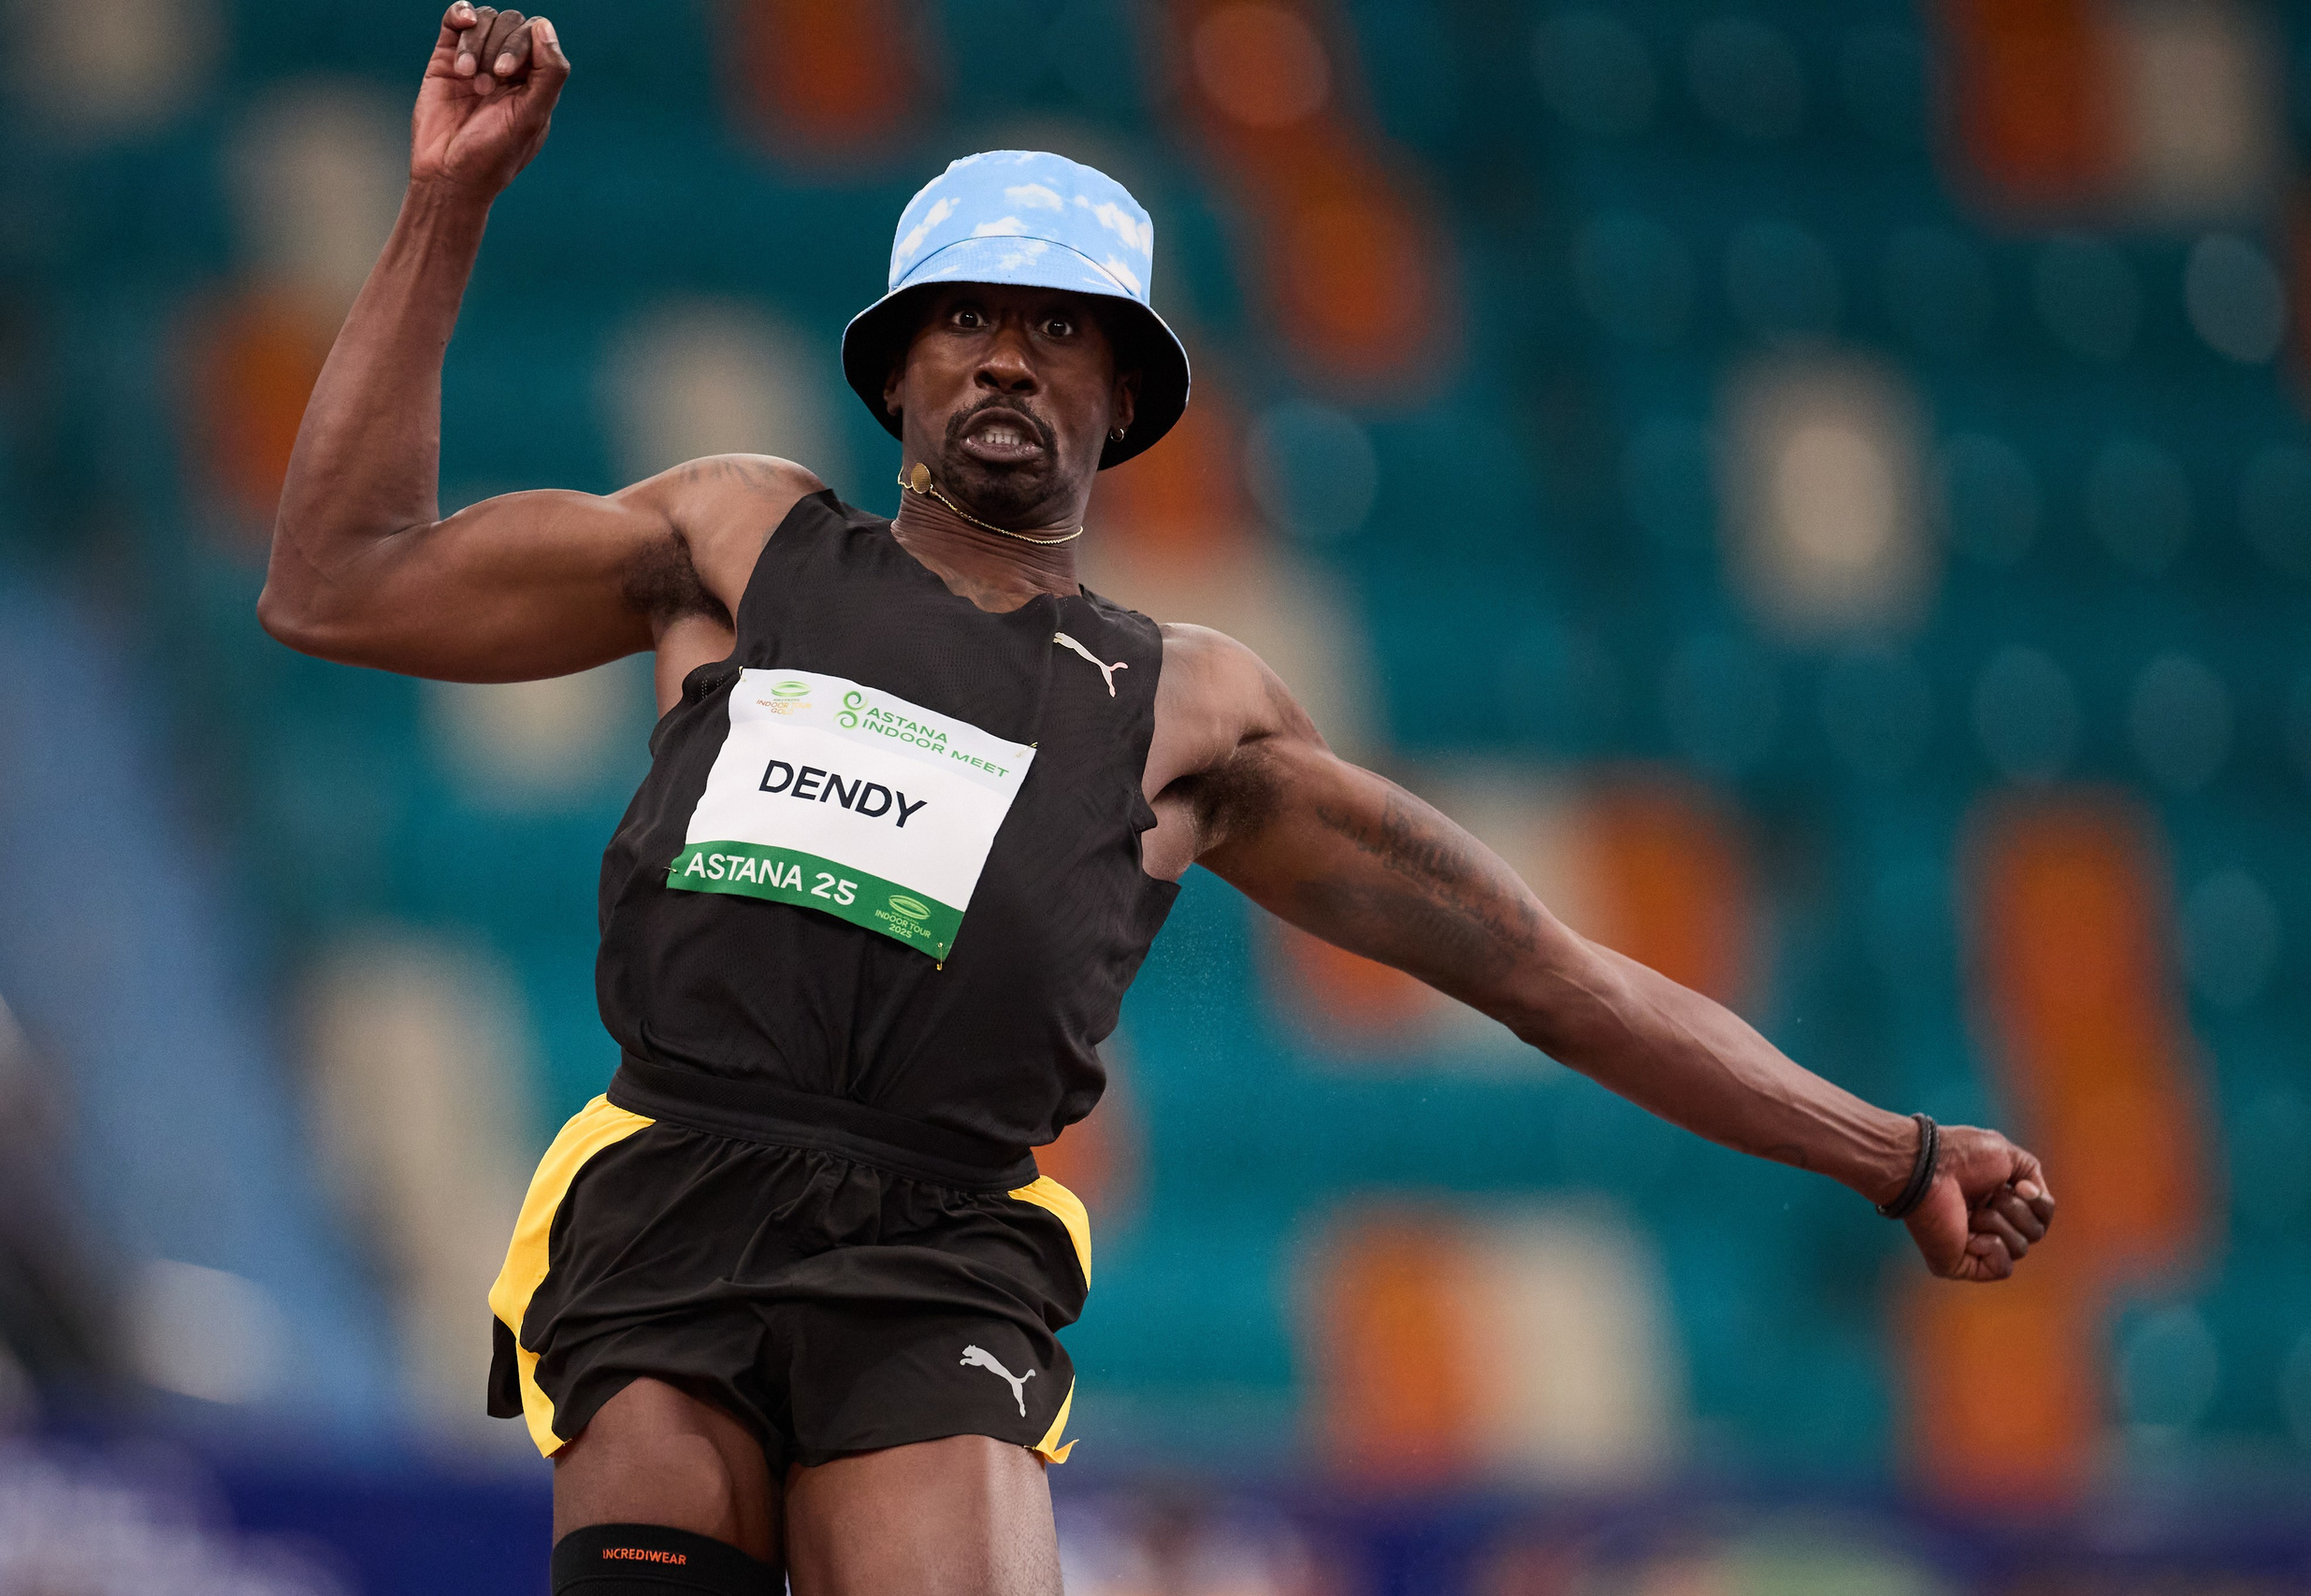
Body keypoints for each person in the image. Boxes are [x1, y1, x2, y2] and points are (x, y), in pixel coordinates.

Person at [259, 7, 2058, 1594]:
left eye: (1063, 328)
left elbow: (1549, 975)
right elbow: (335, 584)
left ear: (1127, 394)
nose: (1009, 357)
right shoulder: (737, 540)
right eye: (966, 316)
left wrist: (1890, 1155)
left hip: (936, 1262)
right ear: (896, 366)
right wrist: (450, 200)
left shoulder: (1190, 710)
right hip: (668, 1196)